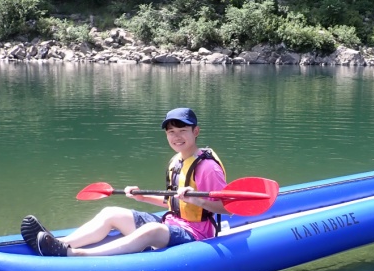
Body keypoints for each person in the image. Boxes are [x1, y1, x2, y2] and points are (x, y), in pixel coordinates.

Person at [21, 107, 229, 257]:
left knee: (151, 230)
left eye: (183, 130)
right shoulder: (176, 161)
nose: (176, 137)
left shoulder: (208, 167)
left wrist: (198, 201)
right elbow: (173, 203)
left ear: (196, 131)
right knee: (110, 212)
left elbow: (225, 208)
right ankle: (59, 244)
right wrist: (142, 196)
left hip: (197, 234)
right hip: (172, 223)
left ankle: (77, 254)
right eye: (171, 132)